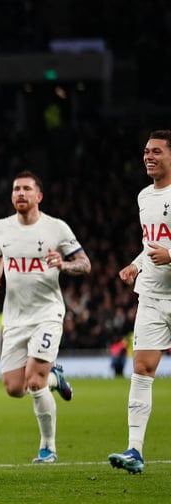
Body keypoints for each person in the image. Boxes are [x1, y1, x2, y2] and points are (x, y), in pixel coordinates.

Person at [0, 170, 90, 463]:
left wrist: (65, 265)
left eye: (27, 189)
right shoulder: (2, 229)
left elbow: (85, 264)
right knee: (14, 388)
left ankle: (48, 447)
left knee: (33, 381)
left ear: (38, 196)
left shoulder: (56, 228)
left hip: (47, 313)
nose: (20, 193)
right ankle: (55, 379)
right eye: (16, 188)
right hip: (15, 318)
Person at [109, 129, 171, 474]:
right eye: (146, 151)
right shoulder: (144, 197)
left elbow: (167, 247)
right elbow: (152, 243)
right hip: (151, 295)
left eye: (157, 151)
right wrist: (136, 264)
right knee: (142, 370)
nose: (148, 156)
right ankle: (135, 450)